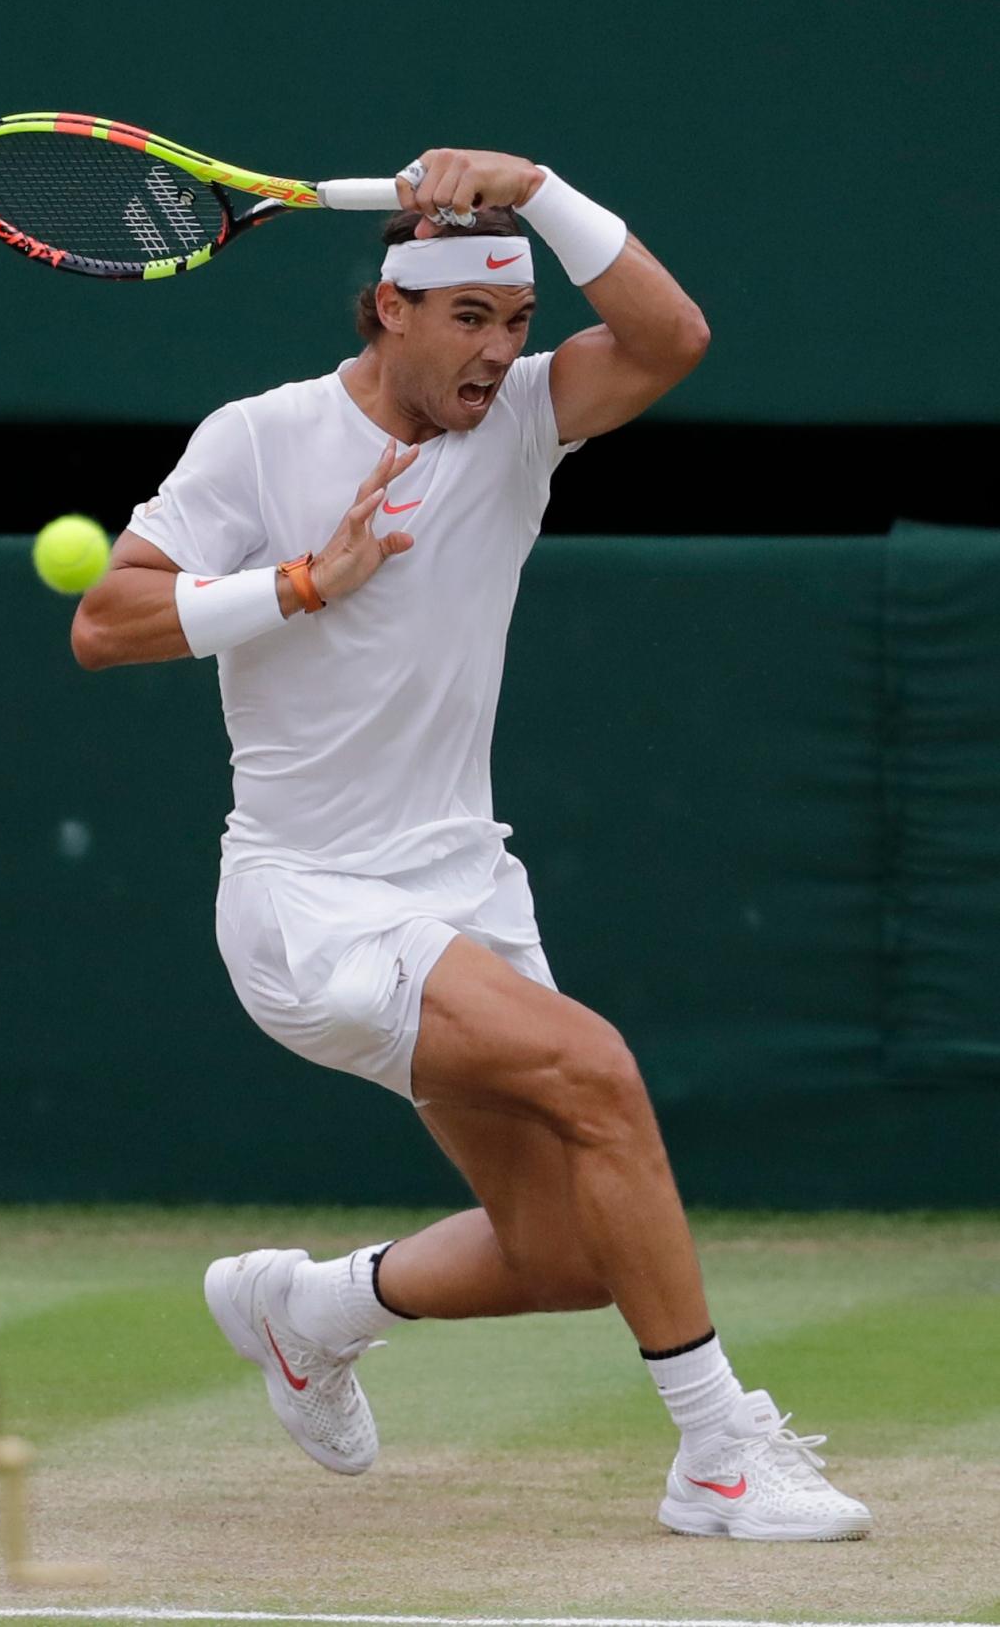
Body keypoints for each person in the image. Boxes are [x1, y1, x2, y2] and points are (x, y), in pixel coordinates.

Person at [72, 149, 871, 1542]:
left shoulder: (519, 427)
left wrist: (546, 189)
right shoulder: (258, 440)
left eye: (514, 324)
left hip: (464, 889)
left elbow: (672, 336)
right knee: (600, 1070)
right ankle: (719, 1453)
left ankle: (306, 1309)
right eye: (470, 323)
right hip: (309, 906)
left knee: (566, 1251)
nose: (502, 354)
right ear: (390, 307)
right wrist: (305, 580)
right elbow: (107, 621)